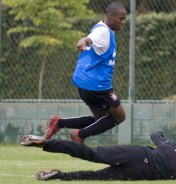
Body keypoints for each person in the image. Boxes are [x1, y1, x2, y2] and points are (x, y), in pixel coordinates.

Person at [45, 2, 127, 143]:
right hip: (98, 87)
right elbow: (87, 40)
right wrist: (82, 42)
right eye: (121, 18)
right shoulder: (103, 32)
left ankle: (58, 123)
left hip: (84, 85)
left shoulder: (101, 28)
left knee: (100, 120)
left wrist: (85, 42)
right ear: (110, 16)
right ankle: (80, 135)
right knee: (120, 117)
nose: (123, 22)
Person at [20, 131, 176, 181]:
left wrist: (168, 141)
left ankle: (45, 143)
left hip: (138, 154)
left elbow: (156, 134)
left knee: (91, 153)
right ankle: (58, 176)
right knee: (96, 176)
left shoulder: (171, 147)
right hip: (140, 173)